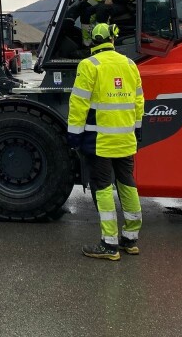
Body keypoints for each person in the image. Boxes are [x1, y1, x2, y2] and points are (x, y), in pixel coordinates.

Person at [67, 22, 145, 260]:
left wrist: (74, 135)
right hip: (126, 138)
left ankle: (109, 244)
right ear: (112, 40)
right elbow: (139, 101)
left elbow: (78, 103)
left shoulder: (89, 65)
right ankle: (130, 239)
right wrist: (137, 130)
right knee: (127, 184)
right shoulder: (130, 64)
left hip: (100, 140)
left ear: (93, 41)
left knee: (102, 187)